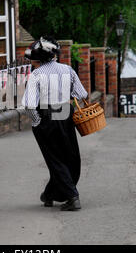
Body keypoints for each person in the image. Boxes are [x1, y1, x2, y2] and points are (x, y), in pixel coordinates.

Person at [22, 37, 88, 211]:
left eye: (33, 60)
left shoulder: (36, 75)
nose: (32, 63)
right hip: (66, 115)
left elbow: (28, 105)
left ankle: (73, 197)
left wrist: (37, 122)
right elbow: (82, 94)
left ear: (39, 59)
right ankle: (50, 194)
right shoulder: (68, 69)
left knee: (55, 159)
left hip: (46, 117)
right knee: (70, 157)